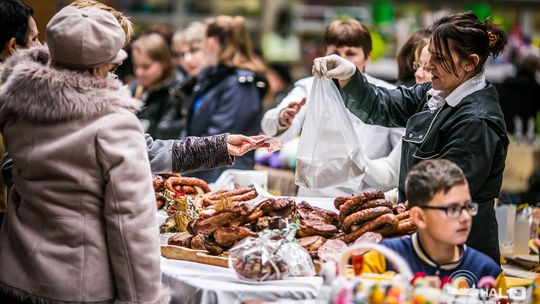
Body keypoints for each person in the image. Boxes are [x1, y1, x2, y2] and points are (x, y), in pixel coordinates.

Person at [0, 6, 170, 303]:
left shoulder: (17, 105)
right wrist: (143, 299)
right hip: (79, 286)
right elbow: (130, 222)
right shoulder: (115, 123)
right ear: (108, 62)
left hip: (15, 271)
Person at [313, 12, 508, 263]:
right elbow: (383, 105)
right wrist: (350, 77)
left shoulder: (476, 121)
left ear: (470, 63)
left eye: (438, 58)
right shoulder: (437, 95)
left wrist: (398, 197)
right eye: (431, 55)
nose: (428, 66)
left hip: (458, 253)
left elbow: (443, 194)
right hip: (424, 238)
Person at [261, 19, 403, 196]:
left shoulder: (387, 95)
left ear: (367, 58)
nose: (341, 60)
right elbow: (272, 129)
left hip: (365, 199)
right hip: (315, 198)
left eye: (351, 53)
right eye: (335, 53)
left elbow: (399, 158)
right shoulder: (309, 87)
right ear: (324, 54)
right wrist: (282, 118)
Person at [362, 159, 506, 292]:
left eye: (468, 207)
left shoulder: (488, 272)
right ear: (419, 217)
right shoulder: (382, 258)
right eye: (453, 209)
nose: (465, 217)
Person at [184, 15, 268, 182]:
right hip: (202, 173)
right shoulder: (213, 79)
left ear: (211, 43)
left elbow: (220, 138)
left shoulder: (240, 85)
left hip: (225, 180)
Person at [131, 33, 186, 139]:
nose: (139, 73)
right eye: (136, 66)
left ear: (163, 63)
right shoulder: (134, 90)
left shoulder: (177, 93)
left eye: (146, 67)